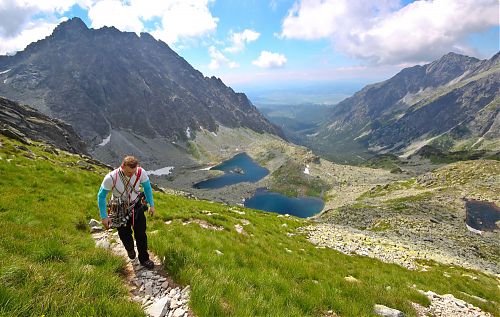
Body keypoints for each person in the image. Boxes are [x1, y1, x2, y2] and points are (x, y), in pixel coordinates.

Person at [97, 156, 156, 269]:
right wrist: (104, 217)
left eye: (133, 172)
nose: (131, 175)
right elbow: (101, 196)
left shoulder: (140, 172)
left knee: (141, 234)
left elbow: (147, 188)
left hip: (136, 206)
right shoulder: (111, 178)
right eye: (129, 172)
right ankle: (130, 250)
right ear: (122, 166)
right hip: (119, 209)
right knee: (124, 233)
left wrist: (151, 205)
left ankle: (144, 259)